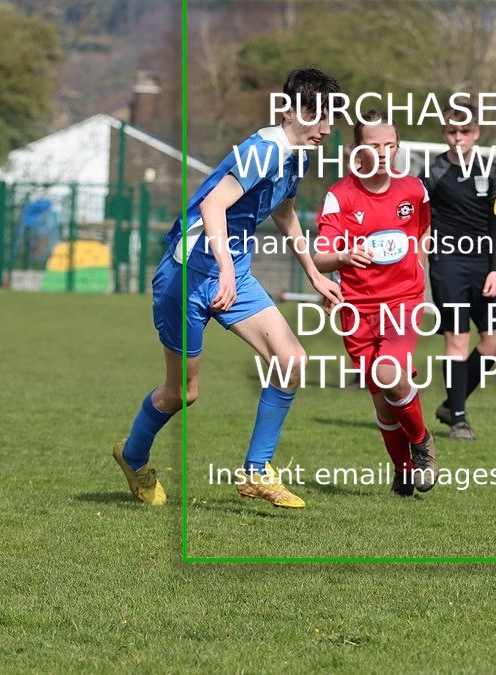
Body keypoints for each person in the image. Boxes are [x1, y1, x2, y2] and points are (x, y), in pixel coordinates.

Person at [113, 66, 344, 508]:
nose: (326, 128)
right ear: (290, 111)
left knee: (291, 360)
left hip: (228, 271)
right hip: (189, 273)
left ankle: (256, 472)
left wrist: (314, 271)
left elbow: (285, 212)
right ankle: (132, 456)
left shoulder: (299, 155)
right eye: (318, 116)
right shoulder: (264, 149)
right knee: (183, 393)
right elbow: (214, 204)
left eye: (331, 118)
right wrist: (223, 268)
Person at [314, 108, 438, 497]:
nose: (382, 152)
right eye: (372, 145)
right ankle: (403, 472)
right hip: (357, 311)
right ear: (356, 150)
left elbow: (422, 230)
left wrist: (419, 269)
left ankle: (422, 443)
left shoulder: (414, 190)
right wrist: (343, 258)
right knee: (383, 404)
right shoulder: (340, 196)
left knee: (388, 373)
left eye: (390, 145)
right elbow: (319, 256)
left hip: (402, 303)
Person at [422, 104, 496, 440]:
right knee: (457, 340)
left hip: (484, 266)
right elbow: (420, 222)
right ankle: (458, 418)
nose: (458, 138)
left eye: (465, 131)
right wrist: (421, 260)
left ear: (476, 133)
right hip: (448, 266)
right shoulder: (431, 173)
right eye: (451, 132)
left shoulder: (493, 170)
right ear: (444, 133)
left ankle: (450, 403)